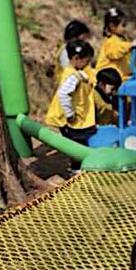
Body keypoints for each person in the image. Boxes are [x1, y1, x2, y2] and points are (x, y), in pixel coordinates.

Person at [45, 39, 97, 171]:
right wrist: (70, 114)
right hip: (71, 119)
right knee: (76, 147)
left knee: (78, 145)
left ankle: (77, 168)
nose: (87, 64)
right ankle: (76, 171)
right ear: (76, 58)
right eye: (86, 61)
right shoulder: (72, 77)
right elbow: (63, 94)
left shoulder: (74, 73)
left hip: (75, 118)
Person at [97, 7, 136, 80]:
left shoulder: (121, 40)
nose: (125, 28)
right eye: (123, 25)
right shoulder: (110, 42)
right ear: (112, 26)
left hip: (121, 77)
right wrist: (131, 45)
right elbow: (116, 51)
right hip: (108, 80)